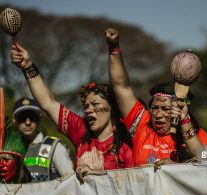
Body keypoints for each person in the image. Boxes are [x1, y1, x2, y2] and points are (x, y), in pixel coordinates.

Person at [10, 45, 133, 182]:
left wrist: (96, 175)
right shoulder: (81, 131)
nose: (88, 110)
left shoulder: (126, 141)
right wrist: (27, 66)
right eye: (86, 106)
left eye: (95, 104)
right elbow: (48, 102)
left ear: (112, 108)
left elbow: (133, 183)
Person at [105, 28, 207, 166]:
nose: (159, 114)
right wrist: (114, 47)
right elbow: (121, 87)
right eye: (155, 108)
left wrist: (175, 168)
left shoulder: (196, 135)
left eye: (166, 108)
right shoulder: (142, 124)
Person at [12, 97, 74, 182]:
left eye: (32, 117)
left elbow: (70, 181)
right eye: (22, 117)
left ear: (39, 118)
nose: (28, 122)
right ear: (14, 120)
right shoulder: (10, 150)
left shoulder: (54, 146)